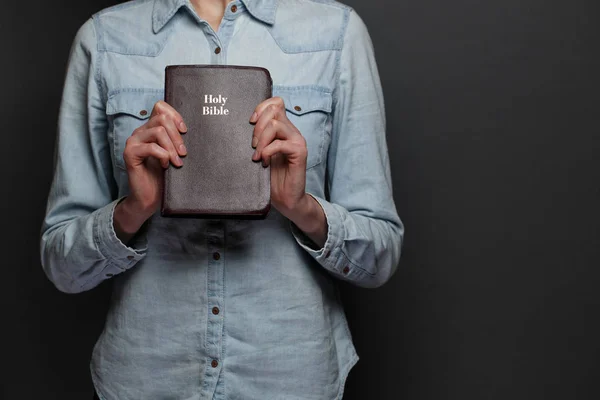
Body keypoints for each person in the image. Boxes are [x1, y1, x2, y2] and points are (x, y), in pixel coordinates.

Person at [40, 0, 404, 398]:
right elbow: (63, 267)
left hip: (291, 380)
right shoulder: (105, 38)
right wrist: (133, 210)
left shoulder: (336, 33)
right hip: (146, 380)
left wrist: (302, 208)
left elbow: (379, 258)